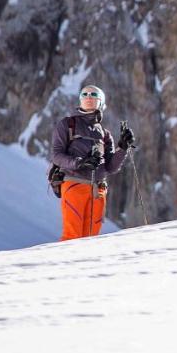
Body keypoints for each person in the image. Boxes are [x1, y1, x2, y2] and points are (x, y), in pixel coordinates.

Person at [49, 85, 135, 240]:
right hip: (74, 184)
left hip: (98, 190)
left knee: (91, 238)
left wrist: (123, 147)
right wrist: (80, 163)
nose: (88, 97)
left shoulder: (105, 135)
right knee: (72, 235)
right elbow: (56, 155)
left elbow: (111, 167)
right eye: (84, 94)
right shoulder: (68, 125)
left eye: (93, 94)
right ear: (80, 100)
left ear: (101, 102)